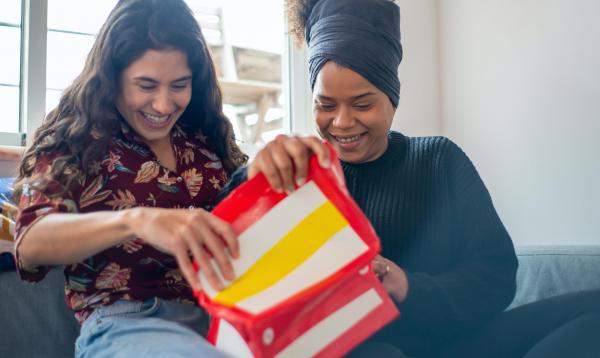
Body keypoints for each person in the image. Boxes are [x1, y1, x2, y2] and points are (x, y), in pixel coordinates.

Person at [226, 0, 600, 357]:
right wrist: (252, 173)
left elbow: (497, 277)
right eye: (325, 105)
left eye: (362, 104)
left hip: (461, 344)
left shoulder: (438, 160)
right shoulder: (297, 174)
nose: (340, 122)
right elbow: (218, 251)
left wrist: (406, 285)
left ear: (392, 98)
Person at [12, 0, 255, 356]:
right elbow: (30, 244)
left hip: (228, 318)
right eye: (146, 85)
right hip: (128, 324)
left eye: (179, 85)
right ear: (112, 77)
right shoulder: (77, 138)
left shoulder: (203, 139)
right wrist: (135, 219)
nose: (163, 104)